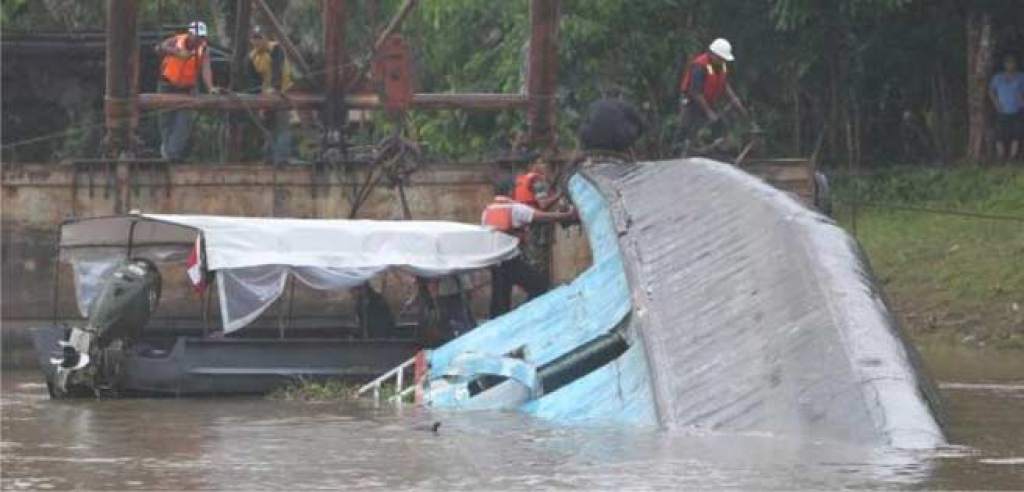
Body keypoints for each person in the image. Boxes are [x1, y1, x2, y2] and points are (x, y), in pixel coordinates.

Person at [482, 180, 577, 318]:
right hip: (510, 259)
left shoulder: (488, 211)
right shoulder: (515, 209)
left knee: (500, 300)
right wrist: (567, 215)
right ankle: (526, 316)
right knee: (539, 285)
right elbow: (543, 217)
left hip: (495, 261)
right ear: (510, 191)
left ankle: (498, 325)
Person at [155, 21, 221, 161]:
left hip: (187, 88)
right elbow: (159, 48)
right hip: (168, 85)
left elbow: (205, 69)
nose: (199, 39)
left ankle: (172, 154)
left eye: (202, 37)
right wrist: (176, 52)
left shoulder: (203, 49)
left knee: (184, 123)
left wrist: (210, 87)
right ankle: (167, 151)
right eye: (197, 36)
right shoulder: (177, 40)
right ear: (190, 34)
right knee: (166, 121)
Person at [677, 38, 751, 155]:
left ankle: (717, 153)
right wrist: (708, 112)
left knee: (719, 125)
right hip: (692, 101)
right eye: (721, 58)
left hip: (707, 100)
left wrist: (734, 99)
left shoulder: (720, 65)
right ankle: (681, 153)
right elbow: (695, 92)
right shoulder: (699, 66)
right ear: (713, 54)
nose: (723, 61)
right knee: (687, 129)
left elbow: (724, 84)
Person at [247, 26, 295, 165]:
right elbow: (253, 82)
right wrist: (260, 100)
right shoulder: (251, 58)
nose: (257, 41)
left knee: (282, 125)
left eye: (259, 38)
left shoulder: (276, 49)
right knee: (268, 127)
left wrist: (275, 89)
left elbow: (277, 71)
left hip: (283, 93)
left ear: (266, 38)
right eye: (254, 38)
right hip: (265, 95)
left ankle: (281, 159)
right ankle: (268, 158)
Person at [578, 97, 646, 154]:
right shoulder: (626, 107)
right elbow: (640, 124)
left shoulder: (595, 105)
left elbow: (584, 124)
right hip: (616, 143)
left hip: (591, 144)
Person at [989, 53, 1024, 161]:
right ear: (1004, 65)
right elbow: (991, 91)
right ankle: (1001, 156)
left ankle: (1012, 157)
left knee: (1017, 134)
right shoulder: (997, 77)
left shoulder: (1021, 76)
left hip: (1017, 109)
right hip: (1002, 110)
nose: (1010, 65)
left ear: (1015, 64)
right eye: (1008, 63)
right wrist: (996, 104)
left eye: (1012, 63)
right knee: (999, 134)